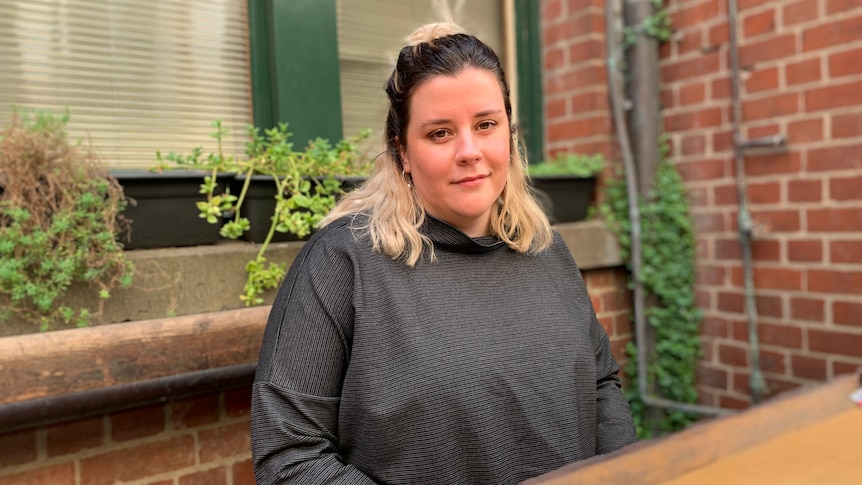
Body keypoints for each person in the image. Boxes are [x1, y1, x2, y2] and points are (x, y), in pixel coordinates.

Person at [251, 21, 637, 484]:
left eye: (486, 125)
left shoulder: (546, 250)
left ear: (510, 137)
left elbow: (599, 388)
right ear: (402, 153)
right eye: (440, 133)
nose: (469, 151)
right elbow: (289, 454)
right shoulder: (344, 263)